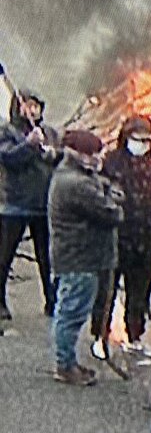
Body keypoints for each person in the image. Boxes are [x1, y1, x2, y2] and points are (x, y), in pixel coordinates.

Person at [48, 130, 123, 386]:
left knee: (69, 310)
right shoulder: (77, 184)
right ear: (77, 153)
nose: (96, 159)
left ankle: (66, 361)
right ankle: (65, 365)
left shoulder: (71, 175)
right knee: (71, 313)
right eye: (91, 154)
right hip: (80, 257)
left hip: (79, 255)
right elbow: (112, 214)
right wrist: (113, 198)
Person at [100, 115, 151, 356]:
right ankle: (100, 335)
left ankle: (135, 336)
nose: (141, 144)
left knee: (139, 292)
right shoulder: (111, 164)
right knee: (106, 291)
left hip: (146, 243)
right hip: (116, 239)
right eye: (137, 139)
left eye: (146, 140)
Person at [0, 89, 60, 318]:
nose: (32, 110)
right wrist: (28, 145)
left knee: (47, 257)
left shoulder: (48, 132)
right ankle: (0, 302)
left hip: (42, 204)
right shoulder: (6, 132)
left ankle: (51, 299)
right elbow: (9, 159)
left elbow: (58, 158)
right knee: (4, 256)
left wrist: (52, 153)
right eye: (28, 105)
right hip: (14, 204)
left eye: (36, 106)